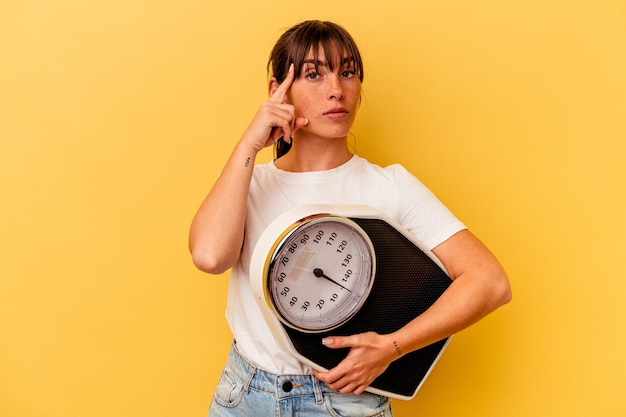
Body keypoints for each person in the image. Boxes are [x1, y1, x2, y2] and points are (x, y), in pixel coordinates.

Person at [189, 20, 511, 417]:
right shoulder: (249, 182)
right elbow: (208, 256)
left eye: (347, 73)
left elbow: (490, 282)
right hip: (243, 396)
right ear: (278, 92)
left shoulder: (389, 187)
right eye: (313, 75)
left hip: (345, 404)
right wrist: (250, 143)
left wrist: (392, 347)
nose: (336, 90)